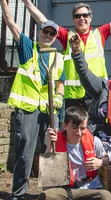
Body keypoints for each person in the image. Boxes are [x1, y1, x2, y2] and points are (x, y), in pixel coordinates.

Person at [1, 0, 65, 199]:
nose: (48, 35)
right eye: (45, 31)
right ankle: (19, 193)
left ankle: (51, 193)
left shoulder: (58, 57)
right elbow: (12, 24)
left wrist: (59, 98)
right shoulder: (28, 48)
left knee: (50, 148)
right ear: (39, 32)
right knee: (25, 149)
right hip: (28, 108)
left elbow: (60, 82)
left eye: (52, 33)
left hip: (49, 110)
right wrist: (4, 4)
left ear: (55, 37)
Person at [22, 0, 111, 108]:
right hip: (73, 97)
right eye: (77, 16)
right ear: (73, 20)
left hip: (97, 93)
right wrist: (27, 2)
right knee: (73, 128)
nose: (81, 18)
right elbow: (43, 21)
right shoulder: (67, 36)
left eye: (85, 15)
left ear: (90, 18)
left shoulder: (99, 34)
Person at [38, 106, 111, 200]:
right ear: (65, 125)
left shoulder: (94, 141)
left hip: (89, 188)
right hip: (64, 190)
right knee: (47, 196)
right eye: (74, 127)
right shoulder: (54, 142)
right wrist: (49, 146)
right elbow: (46, 177)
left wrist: (100, 162)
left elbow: (106, 158)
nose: (78, 132)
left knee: (106, 196)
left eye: (82, 128)